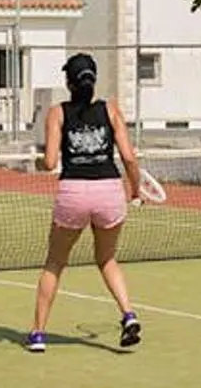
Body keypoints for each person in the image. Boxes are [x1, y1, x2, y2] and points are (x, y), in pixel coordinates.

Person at [27, 52, 142, 353]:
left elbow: (50, 162)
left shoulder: (57, 113)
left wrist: (40, 162)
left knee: (55, 262)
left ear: (68, 82)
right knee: (107, 259)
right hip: (109, 192)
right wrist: (136, 190)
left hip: (73, 193)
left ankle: (38, 334)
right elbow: (129, 158)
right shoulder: (112, 110)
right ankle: (128, 314)